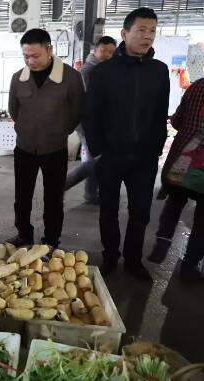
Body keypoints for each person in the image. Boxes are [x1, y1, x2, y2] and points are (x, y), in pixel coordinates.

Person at [84, 8, 170, 281]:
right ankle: (111, 256)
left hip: (144, 157)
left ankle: (133, 259)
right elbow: (92, 114)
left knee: (140, 211)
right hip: (111, 155)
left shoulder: (159, 71)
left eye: (152, 31)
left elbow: (161, 113)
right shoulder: (104, 72)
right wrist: (97, 151)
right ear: (125, 33)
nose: (148, 37)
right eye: (142, 30)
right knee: (108, 209)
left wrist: (156, 148)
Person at [8, 29, 85, 248]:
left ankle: (51, 241)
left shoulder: (70, 77)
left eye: (35, 55)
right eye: (26, 56)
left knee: (53, 199)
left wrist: (60, 130)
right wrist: (25, 129)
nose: (30, 61)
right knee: (22, 197)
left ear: (49, 50)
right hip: (24, 149)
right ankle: (23, 235)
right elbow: (14, 110)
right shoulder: (18, 78)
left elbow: (78, 111)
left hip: (54, 149)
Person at [147, 78, 204, 282]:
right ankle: (189, 267)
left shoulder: (198, 86)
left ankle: (161, 246)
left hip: (184, 157)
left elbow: (177, 121)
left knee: (174, 203)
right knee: (202, 221)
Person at [65, 36, 117, 203]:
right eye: (103, 51)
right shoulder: (89, 71)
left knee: (96, 157)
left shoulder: (104, 70)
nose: (107, 55)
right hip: (87, 121)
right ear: (95, 50)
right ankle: (64, 185)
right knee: (94, 159)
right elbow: (88, 99)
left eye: (111, 52)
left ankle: (91, 193)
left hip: (96, 121)